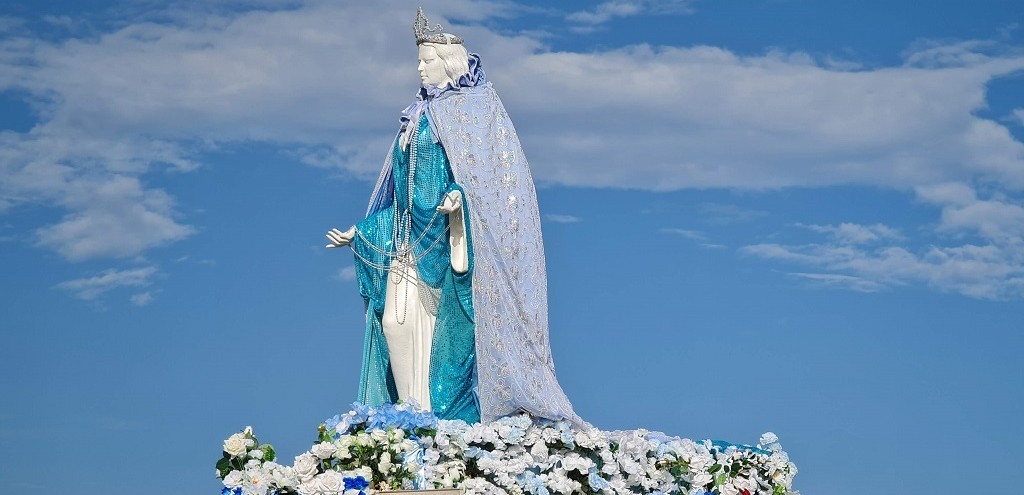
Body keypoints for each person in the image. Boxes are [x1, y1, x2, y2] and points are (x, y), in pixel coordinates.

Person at [327, 8, 582, 426]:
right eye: (420, 61)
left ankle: (434, 419)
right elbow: (404, 197)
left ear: (448, 64)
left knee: (441, 339)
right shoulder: (415, 117)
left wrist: (459, 202)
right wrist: (362, 231)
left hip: (449, 246)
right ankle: (410, 416)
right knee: (394, 323)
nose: (420, 69)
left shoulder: (474, 111)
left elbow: (488, 181)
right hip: (406, 240)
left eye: (427, 61)